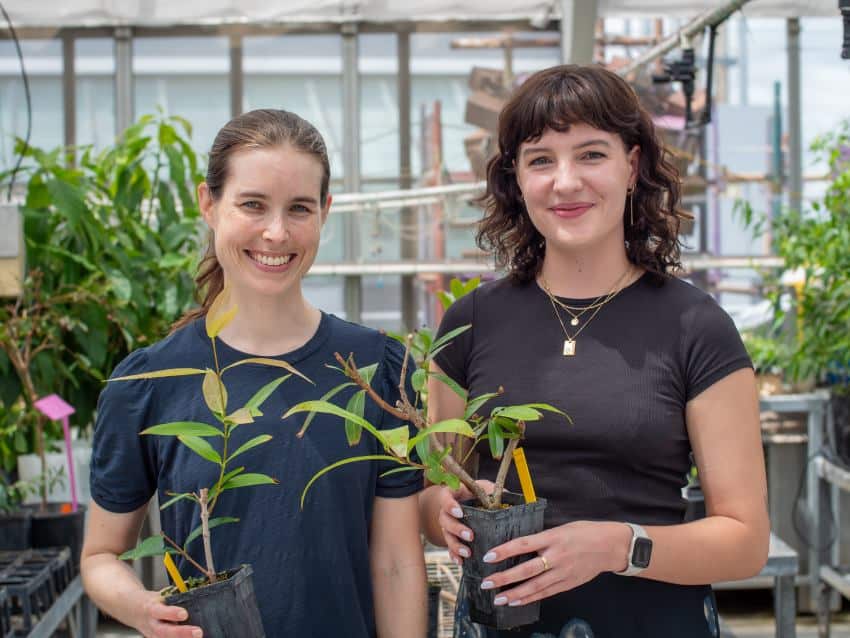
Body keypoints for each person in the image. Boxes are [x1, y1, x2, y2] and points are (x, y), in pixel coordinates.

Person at [419, 65, 769, 637]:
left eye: (590, 154)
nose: (565, 182)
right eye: (540, 160)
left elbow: (745, 539)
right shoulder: (470, 323)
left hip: (653, 622)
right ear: (517, 179)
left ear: (631, 167)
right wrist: (441, 514)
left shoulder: (696, 325)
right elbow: (433, 488)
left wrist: (618, 546)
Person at [81, 109, 427, 638]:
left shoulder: (377, 369)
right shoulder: (148, 383)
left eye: (299, 209)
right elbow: (101, 554)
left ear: (325, 213)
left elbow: (397, 563)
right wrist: (142, 609)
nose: (276, 232)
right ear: (208, 204)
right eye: (252, 205)